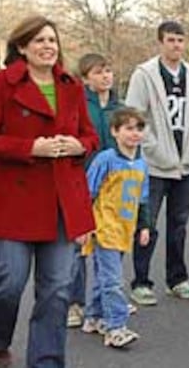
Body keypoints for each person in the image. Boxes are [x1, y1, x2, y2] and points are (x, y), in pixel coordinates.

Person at [0, 15, 98, 368]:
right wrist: (31, 148)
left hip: (62, 200)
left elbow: (91, 135)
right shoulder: (0, 85)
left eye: (52, 40)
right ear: (22, 47)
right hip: (14, 199)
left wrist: (78, 145)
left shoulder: (71, 86)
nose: (47, 47)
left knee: (56, 289)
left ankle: (46, 361)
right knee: (9, 279)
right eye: (39, 41)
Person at [125, 20, 189, 305]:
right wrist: (155, 150)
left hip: (185, 164)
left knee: (179, 224)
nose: (176, 45)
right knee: (147, 224)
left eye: (180, 40)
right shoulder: (145, 74)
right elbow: (134, 117)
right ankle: (141, 281)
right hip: (155, 164)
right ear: (160, 42)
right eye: (171, 40)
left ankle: (177, 279)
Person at [80, 107, 151, 348]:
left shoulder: (141, 163)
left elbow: (143, 198)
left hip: (125, 229)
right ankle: (116, 327)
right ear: (115, 131)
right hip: (104, 227)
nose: (134, 134)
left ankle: (94, 316)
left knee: (104, 277)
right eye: (128, 128)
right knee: (113, 279)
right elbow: (88, 193)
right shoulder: (105, 159)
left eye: (139, 128)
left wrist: (144, 226)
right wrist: (85, 225)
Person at [67, 53, 124, 328]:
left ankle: (102, 302)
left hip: (113, 186)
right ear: (86, 77)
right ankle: (73, 303)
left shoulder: (120, 108)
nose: (106, 76)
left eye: (109, 71)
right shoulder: (78, 106)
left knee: (110, 243)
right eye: (99, 72)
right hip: (83, 182)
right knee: (79, 245)